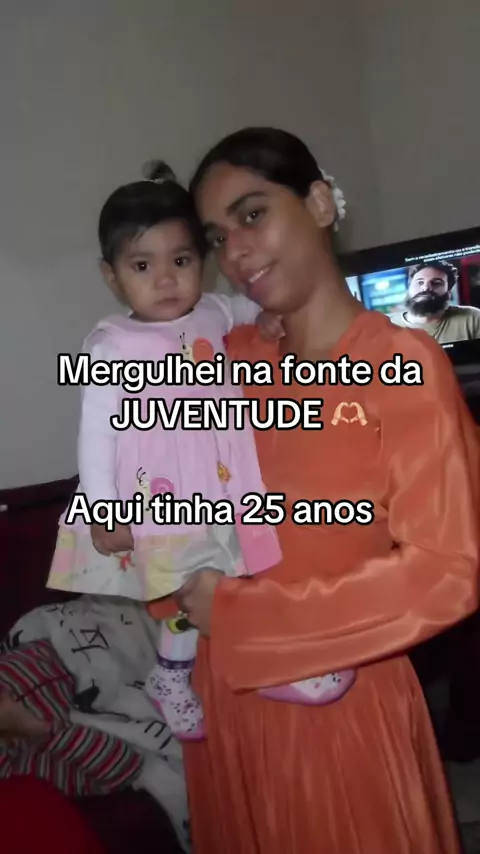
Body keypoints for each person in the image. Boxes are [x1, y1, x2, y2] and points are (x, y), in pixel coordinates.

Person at [168, 127, 479, 854]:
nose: (235, 253)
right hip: (225, 707)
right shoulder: (234, 357)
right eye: (218, 238)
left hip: (337, 709)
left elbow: (447, 573)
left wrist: (242, 616)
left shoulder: (401, 364)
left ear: (318, 203)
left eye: (253, 214)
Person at [46, 161, 353, 743]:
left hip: (224, 481)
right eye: (143, 266)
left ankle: (171, 674)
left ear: (201, 264)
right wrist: (103, 506)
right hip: (161, 496)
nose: (166, 280)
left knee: (231, 574)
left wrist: (267, 317)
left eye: (181, 261)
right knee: (201, 586)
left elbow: (250, 310)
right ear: (111, 276)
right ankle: (267, 665)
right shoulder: (113, 345)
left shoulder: (214, 310)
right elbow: (97, 433)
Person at [390, 260, 480, 343]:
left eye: (436, 283)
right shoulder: (386, 326)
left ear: (448, 293)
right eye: (420, 282)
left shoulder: (473, 318)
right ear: (409, 288)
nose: (425, 288)